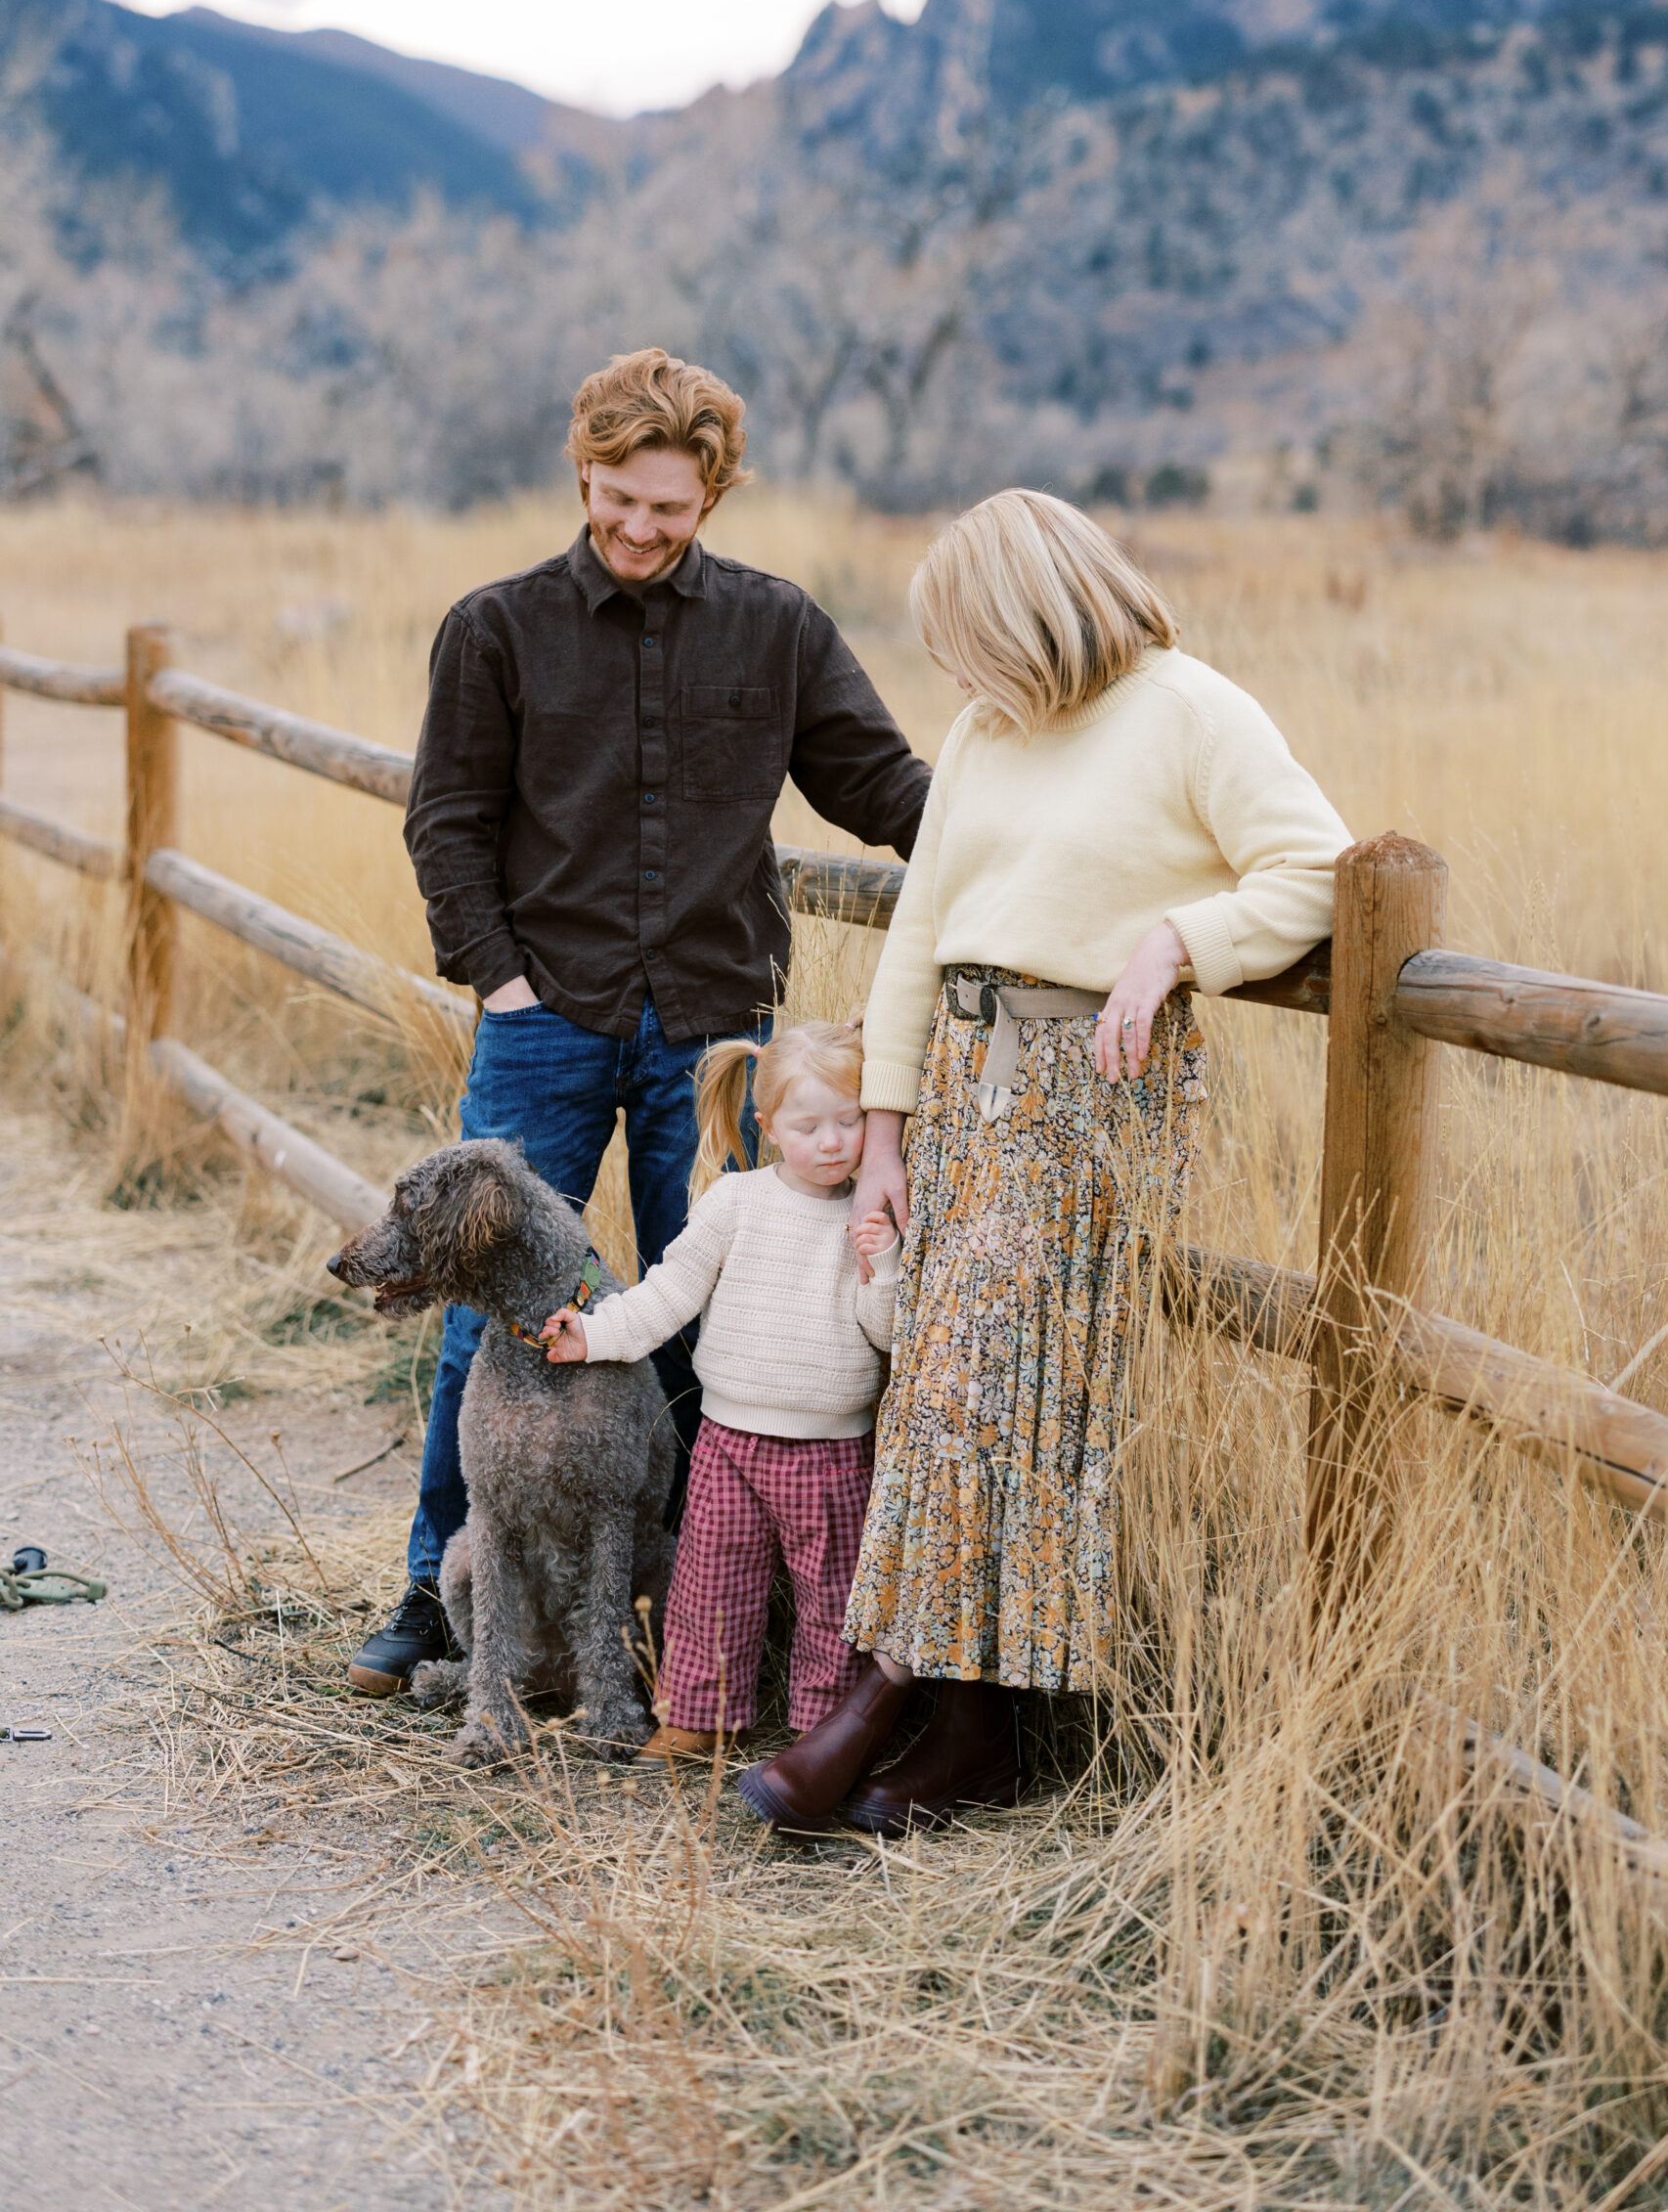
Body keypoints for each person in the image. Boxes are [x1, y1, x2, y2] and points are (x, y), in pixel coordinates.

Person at [737, 490, 1352, 1836]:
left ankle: (867, 1715)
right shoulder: (984, 729)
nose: (953, 673)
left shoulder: (1190, 710)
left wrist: (1177, 942)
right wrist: (886, 1134)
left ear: (1026, 611)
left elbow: (1317, 868)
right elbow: (919, 938)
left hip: (1085, 1101)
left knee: (973, 1397)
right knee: (954, 1402)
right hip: (958, 1088)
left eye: (964, 639)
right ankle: (975, 1738)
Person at [347, 352, 932, 1698]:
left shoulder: (778, 628)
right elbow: (445, 820)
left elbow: (881, 784)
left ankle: (689, 1622)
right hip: (542, 1019)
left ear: (713, 494)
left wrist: (1010, 839)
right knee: (482, 1321)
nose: (638, 528)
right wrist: (500, 979)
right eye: (617, 496)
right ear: (583, 473)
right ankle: (440, 1598)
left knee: (706, 1307)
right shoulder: (493, 627)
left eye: (668, 507)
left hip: (715, 1031)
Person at [542, 1019, 899, 1759]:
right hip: (728, 1441)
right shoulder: (734, 1203)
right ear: (766, 1126)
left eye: (850, 1121)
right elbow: (669, 1293)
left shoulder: (870, 1217)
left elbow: (887, 1334)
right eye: (809, 1126)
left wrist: (886, 1265)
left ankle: (821, 1735)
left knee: (832, 1601)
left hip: (832, 1452)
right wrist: (594, 1335)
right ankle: (701, 1718)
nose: (832, 1142)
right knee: (712, 1586)